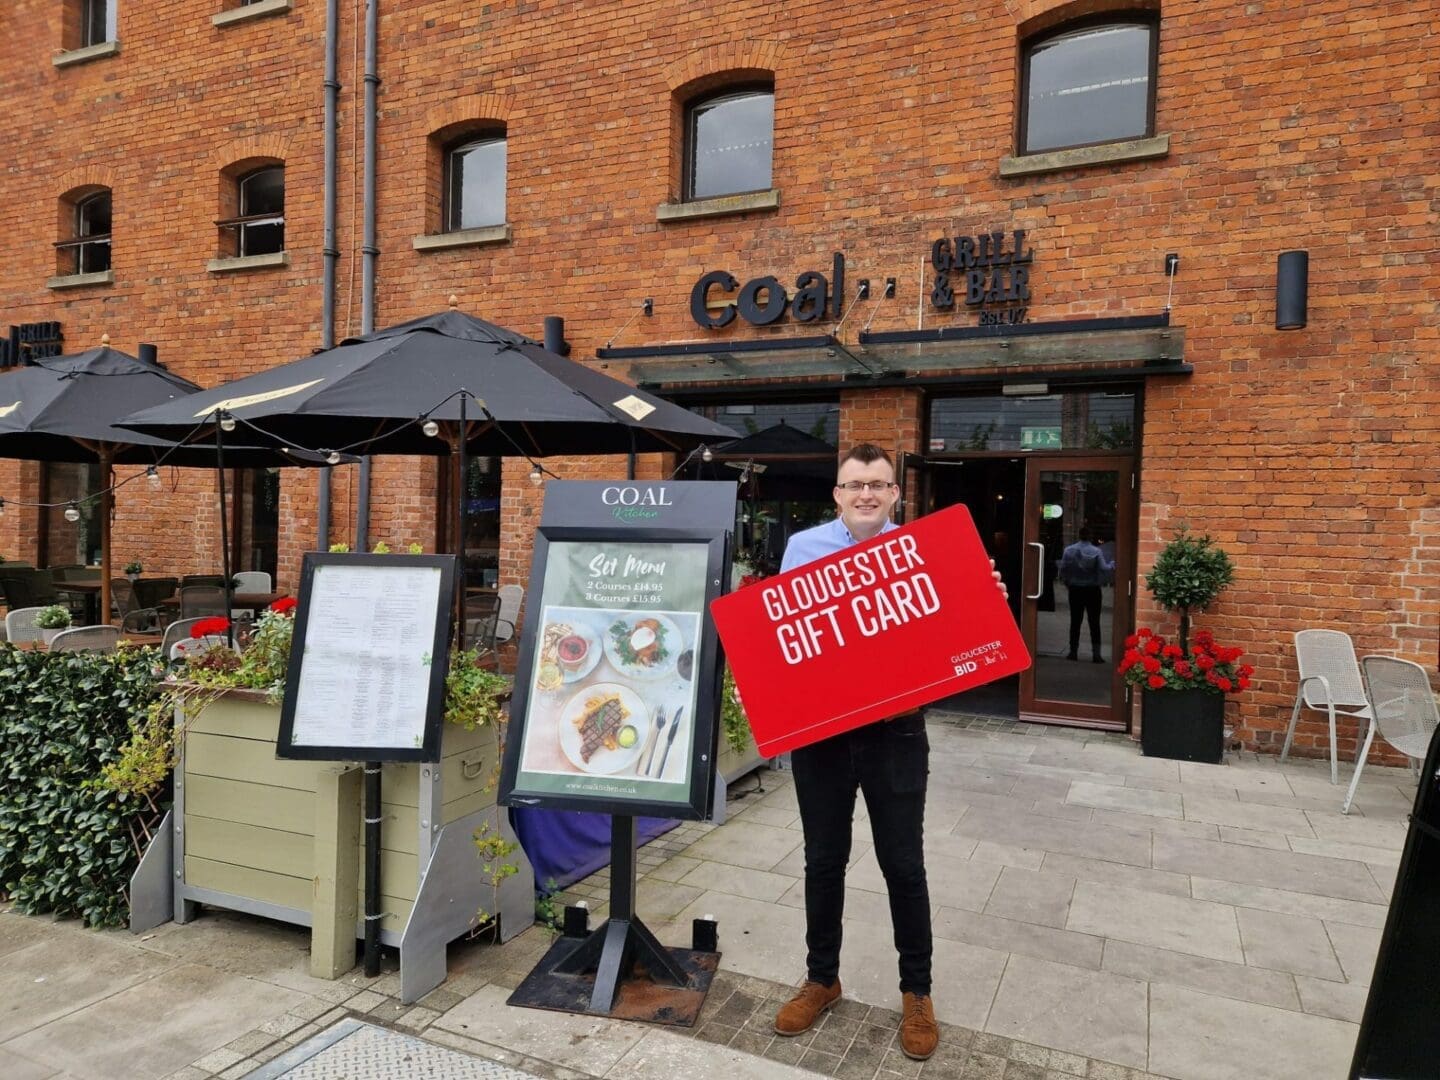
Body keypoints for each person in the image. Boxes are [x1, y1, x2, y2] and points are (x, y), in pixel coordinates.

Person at [771, 443, 1005, 1061]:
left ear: (896, 494)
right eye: (855, 485)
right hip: (821, 735)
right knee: (823, 860)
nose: (866, 494)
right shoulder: (803, 549)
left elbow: (960, 632)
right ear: (838, 495)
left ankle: (917, 994)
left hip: (896, 732)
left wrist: (985, 599)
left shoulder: (927, 552)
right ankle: (822, 977)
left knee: (903, 865)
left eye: (878, 484)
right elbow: (785, 635)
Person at [1057, 526, 1114, 663]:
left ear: (1079, 535)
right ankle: (1096, 654)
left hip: (1075, 589)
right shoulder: (1096, 551)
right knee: (1094, 622)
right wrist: (1113, 564)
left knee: (1075, 621)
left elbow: (1063, 569)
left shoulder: (1069, 550)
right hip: (1092, 590)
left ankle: (1073, 652)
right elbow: (1103, 568)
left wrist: (1067, 583)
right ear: (1090, 536)